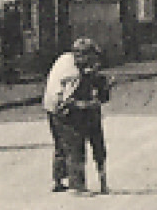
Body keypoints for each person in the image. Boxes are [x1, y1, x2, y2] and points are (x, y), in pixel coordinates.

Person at [43, 38, 112, 193]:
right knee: (74, 144)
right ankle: (77, 186)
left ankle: (58, 180)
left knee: (61, 144)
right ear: (81, 57)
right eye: (91, 60)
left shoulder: (66, 57)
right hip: (59, 108)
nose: (94, 65)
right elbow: (67, 102)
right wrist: (88, 105)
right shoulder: (73, 74)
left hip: (50, 105)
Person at [0, 0, 24, 85]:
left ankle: (11, 77)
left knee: (11, 58)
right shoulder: (11, 16)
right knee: (10, 58)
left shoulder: (10, 16)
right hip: (10, 39)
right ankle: (10, 77)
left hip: (11, 39)